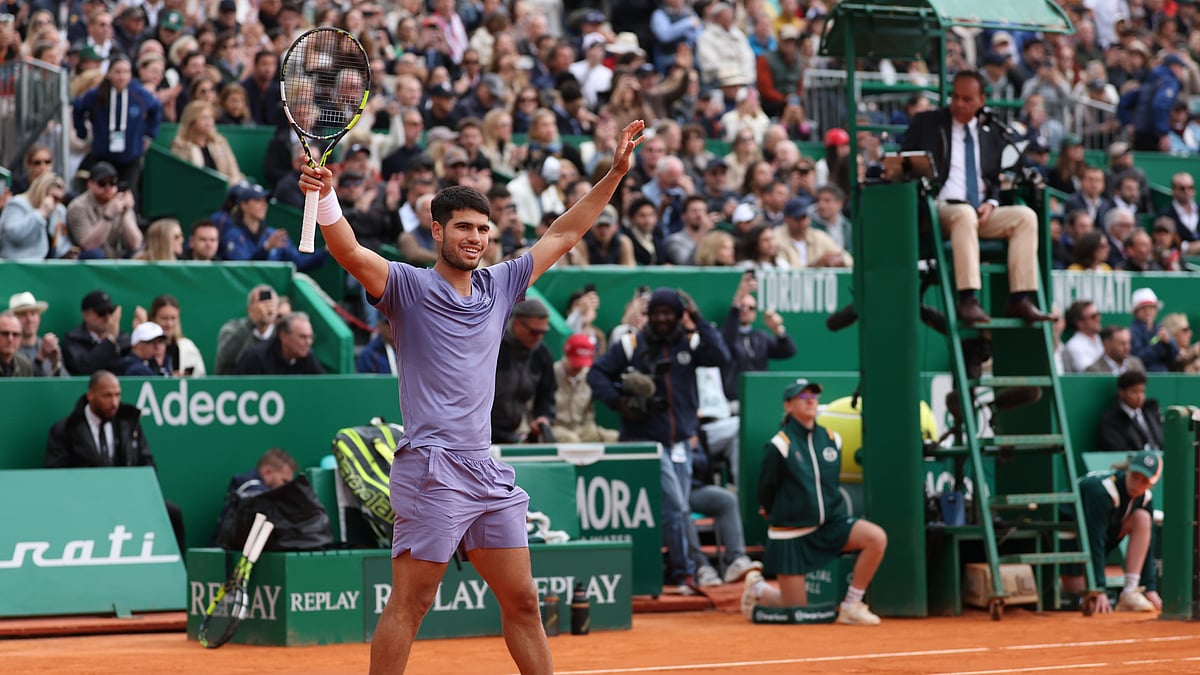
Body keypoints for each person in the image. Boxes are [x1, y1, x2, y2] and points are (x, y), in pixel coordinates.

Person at [297, 119, 646, 674]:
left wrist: (614, 174)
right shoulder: (407, 287)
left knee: (524, 601)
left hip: (485, 470)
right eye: (463, 228)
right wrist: (327, 198)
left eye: (483, 229)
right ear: (436, 232)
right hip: (431, 469)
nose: (476, 238)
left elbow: (562, 233)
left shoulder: (501, 285)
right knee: (412, 603)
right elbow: (350, 253)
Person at [588, 287, 731, 594]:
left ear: (680, 315)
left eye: (670, 313)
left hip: (681, 443)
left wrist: (699, 319)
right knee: (677, 508)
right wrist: (621, 402)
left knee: (676, 510)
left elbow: (721, 355)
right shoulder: (632, 344)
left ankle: (686, 571)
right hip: (645, 442)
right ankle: (687, 573)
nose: (664, 319)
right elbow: (596, 374)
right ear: (649, 315)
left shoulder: (690, 343)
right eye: (658, 313)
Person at [901, 70, 1055, 325]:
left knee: (1025, 217)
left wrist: (992, 203)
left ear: (982, 100)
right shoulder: (927, 123)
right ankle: (968, 299)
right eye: (955, 97)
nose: (959, 104)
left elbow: (994, 179)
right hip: (939, 209)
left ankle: (1020, 299)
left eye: (967, 99)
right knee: (963, 214)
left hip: (980, 212)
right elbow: (906, 163)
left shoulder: (991, 131)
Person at [744, 378, 889, 625]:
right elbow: (766, 488)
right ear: (788, 406)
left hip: (829, 524)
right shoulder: (780, 444)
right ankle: (758, 589)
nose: (810, 400)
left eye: (814, 395)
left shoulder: (833, 439)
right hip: (791, 535)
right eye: (802, 396)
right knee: (798, 611)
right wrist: (772, 510)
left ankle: (851, 605)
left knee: (876, 537)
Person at [45, 370, 186, 554]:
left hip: (128, 498)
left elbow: (147, 463)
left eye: (117, 395)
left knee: (172, 513)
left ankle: (178, 571)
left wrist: (136, 493)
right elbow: (56, 476)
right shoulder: (65, 430)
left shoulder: (129, 424)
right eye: (107, 396)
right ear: (91, 395)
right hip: (85, 502)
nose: (114, 403)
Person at [1060, 449, 1162, 613]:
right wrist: (1098, 588)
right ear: (1127, 469)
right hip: (1068, 534)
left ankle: (1130, 591)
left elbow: (1148, 544)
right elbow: (1095, 539)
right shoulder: (1102, 491)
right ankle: (1059, 582)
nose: (1137, 484)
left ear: (1152, 484)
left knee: (1142, 518)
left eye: (1144, 481)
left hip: (1101, 532)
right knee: (1080, 596)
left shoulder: (1145, 497)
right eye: (1135, 476)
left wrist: (1150, 588)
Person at [720, 273, 796, 407]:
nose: (745, 310)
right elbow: (725, 343)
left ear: (755, 313)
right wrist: (738, 299)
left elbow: (788, 351)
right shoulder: (727, 334)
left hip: (761, 396)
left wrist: (778, 329)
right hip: (733, 399)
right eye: (742, 306)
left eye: (750, 308)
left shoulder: (761, 337)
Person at [492, 299, 556, 444]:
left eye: (543, 332)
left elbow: (547, 393)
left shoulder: (542, 353)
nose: (539, 337)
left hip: (513, 433)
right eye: (534, 332)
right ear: (517, 323)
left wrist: (544, 416)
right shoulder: (493, 346)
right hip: (481, 434)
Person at [551, 334, 619, 443]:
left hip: (583, 428)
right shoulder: (550, 373)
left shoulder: (589, 374)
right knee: (571, 440)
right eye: (575, 362)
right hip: (556, 428)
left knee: (614, 437)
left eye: (582, 363)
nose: (578, 367)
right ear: (566, 355)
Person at [214, 284, 279, 375]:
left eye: (270, 303)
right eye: (261, 302)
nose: (266, 307)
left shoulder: (282, 333)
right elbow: (226, 356)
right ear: (249, 309)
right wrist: (252, 322)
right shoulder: (232, 329)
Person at [62, 290, 130, 376]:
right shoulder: (73, 340)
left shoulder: (123, 338)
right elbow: (84, 367)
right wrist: (110, 339)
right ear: (85, 315)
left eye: (110, 312)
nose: (107, 318)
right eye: (101, 313)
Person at [233, 312, 324, 375]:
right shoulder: (255, 358)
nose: (308, 342)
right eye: (302, 337)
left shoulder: (308, 356)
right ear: (284, 336)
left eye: (310, 337)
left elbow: (324, 387)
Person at [1097, 370, 1163, 452]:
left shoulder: (1151, 411)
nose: (1140, 397)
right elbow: (1117, 450)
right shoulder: (1111, 420)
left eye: (1142, 392)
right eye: (1134, 392)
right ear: (1121, 393)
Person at [9, 291, 65, 377]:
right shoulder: (7, 349)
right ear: (13, 321)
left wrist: (56, 363)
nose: (29, 320)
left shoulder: (48, 346)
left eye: (33, 314)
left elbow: (66, 383)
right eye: (23, 315)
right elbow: (20, 385)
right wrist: (40, 358)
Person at [148, 294, 206, 376]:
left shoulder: (188, 348)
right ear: (153, 318)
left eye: (173, 318)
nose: (169, 324)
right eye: (164, 318)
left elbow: (200, 380)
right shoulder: (144, 348)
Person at [1129, 288, 1178, 373]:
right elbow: (1138, 358)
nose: (1148, 312)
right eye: (1143, 308)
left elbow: (1173, 357)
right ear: (1136, 312)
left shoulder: (1160, 328)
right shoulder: (1133, 331)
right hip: (1143, 376)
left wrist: (1168, 343)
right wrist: (1158, 342)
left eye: (1151, 308)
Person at [0, 311, 34, 377]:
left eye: (15, 334)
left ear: (21, 337)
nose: (10, 339)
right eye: (5, 333)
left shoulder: (25, 365)